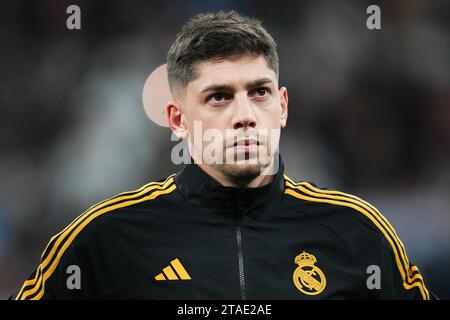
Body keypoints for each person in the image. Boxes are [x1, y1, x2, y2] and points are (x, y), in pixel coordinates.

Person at [13, 10, 430, 300]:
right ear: (177, 119)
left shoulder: (358, 232)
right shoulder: (105, 239)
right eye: (218, 97)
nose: (244, 116)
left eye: (259, 92)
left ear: (282, 107)